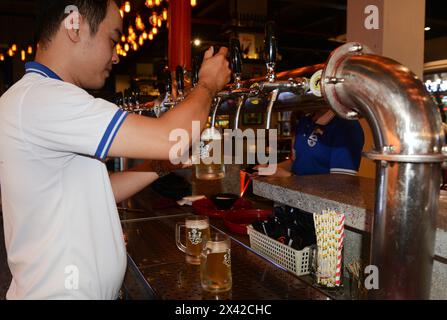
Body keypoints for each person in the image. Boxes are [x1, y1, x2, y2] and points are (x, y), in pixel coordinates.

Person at [0, 0, 231, 300]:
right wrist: (208, 85)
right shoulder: (44, 99)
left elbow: (95, 190)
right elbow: (169, 137)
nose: (116, 55)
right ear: (74, 25)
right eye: (112, 39)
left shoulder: (32, 98)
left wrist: (162, 167)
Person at [255, 109, 365, 177]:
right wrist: (269, 169)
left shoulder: (346, 126)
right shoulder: (305, 121)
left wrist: (288, 177)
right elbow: (296, 162)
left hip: (324, 210)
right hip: (297, 200)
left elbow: (340, 182)